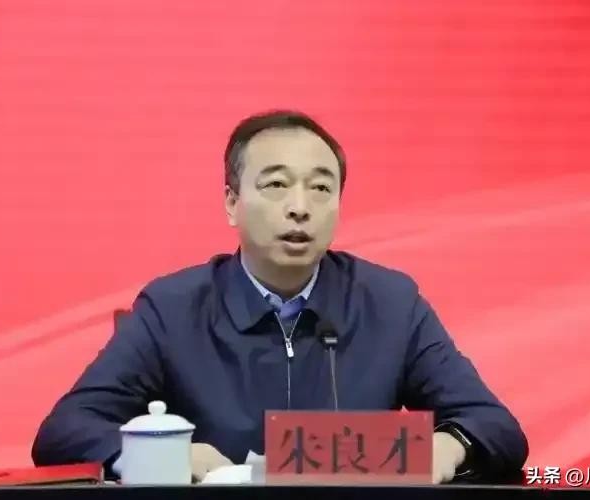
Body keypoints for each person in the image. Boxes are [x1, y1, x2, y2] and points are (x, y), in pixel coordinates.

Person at [32, 110, 528, 484]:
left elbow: (494, 425)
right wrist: (167, 456)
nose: (299, 207)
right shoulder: (174, 308)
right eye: (276, 185)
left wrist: (445, 447)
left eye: (321, 189)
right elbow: (65, 432)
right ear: (232, 202)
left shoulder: (390, 304)